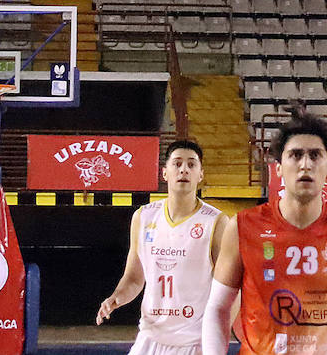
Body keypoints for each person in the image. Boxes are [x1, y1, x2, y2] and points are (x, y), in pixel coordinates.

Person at [201, 114, 327, 355]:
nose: (305, 164)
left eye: (315, 155)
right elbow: (218, 308)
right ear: (278, 168)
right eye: (296, 155)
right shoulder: (242, 226)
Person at [98, 140, 229, 355]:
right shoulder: (144, 216)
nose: (184, 169)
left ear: (201, 174)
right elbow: (134, 277)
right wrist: (116, 297)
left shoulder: (215, 222)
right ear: (165, 173)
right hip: (150, 336)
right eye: (177, 164)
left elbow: (227, 287)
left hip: (194, 341)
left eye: (191, 164)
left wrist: (218, 337)